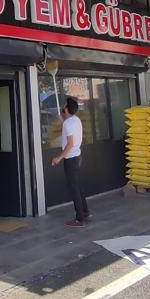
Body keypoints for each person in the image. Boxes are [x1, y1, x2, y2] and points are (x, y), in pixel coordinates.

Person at [51, 97, 89, 227]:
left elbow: (70, 144)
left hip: (71, 159)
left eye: (64, 105)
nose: (63, 106)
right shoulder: (76, 120)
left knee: (74, 189)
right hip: (77, 157)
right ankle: (85, 211)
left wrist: (58, 158)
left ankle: (79, 219)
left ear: (66, 108)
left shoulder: (68, 124)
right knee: (78, 186)